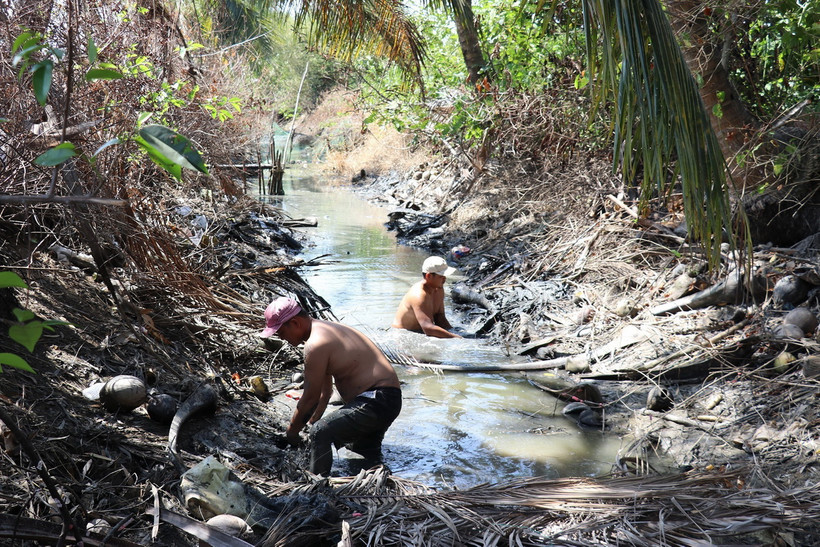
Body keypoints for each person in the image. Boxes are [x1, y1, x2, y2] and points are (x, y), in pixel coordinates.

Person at [261, 297, 402, 476]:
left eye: (280, 332)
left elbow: (310, 398)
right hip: (386, 400)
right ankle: (375, 479)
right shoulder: (324, 331)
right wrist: (311, 421)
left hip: (377, 400)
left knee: (321, 432)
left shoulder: (316, 344)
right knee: (363, 451)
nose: (281, 338)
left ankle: (318, 485)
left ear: (295, 323)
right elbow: (324, 393)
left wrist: (292, 432)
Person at [392, 256, 462, 338]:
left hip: (421, 331)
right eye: (441, 276)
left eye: (445, 276)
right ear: (429, 276)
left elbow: (440, 318)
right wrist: (457, 338)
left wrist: (455, 332)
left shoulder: (438, 288)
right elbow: (428, 328)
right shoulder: (419, 295)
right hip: (403, 334)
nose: (444, 279)